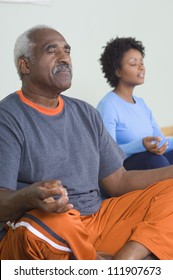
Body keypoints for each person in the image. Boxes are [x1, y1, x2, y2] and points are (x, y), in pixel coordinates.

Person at [1, 26, 173, 261]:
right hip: (53, 225)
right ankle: (106, 260)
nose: (65, 58)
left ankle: (126, 259)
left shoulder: (86, 113)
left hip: (100, 219)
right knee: (39, 228)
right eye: (52, 51)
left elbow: (119, 181)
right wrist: (29, 196)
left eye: (67, 51)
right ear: (25, 65)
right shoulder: (7, 117)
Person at [97, 37, 173, 170]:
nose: (141, 67)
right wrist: (141, 145)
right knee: (157, 161)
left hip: (151, 160)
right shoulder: (108, 105)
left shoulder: (141, 104)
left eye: (142, 62)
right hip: (122, 169)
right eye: (133, 63)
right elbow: (108, 152)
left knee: (159, 159)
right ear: (118, 71)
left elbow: (161, 142)